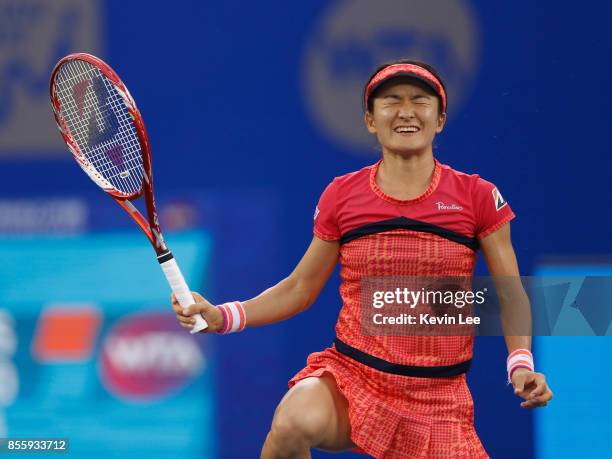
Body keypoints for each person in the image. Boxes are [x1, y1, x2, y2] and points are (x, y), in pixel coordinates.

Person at [172, 59, 553, 458]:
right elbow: (300, 287)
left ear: (440, 119)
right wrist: (223, 316)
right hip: (353, 379)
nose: (405, 111)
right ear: (371, 120)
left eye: (419, 101)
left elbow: (509, 295)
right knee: (291, 422)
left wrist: (520, 364)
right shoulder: (342, 195)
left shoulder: (477, 197)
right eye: (390, 101)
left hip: (439, 400)